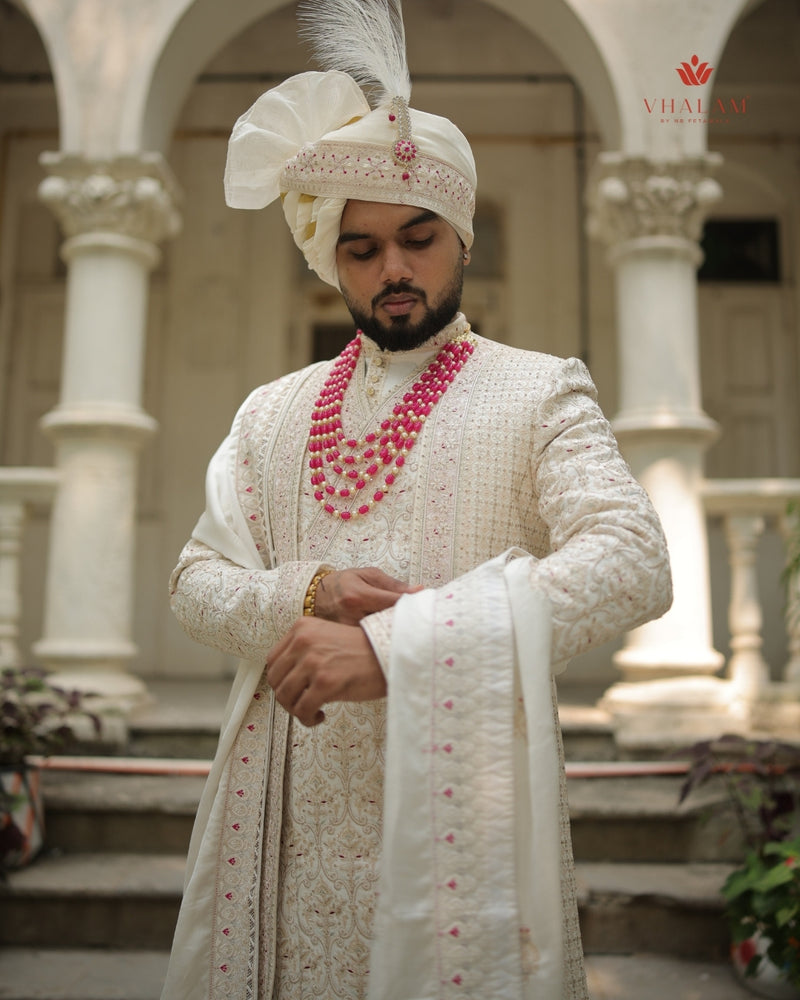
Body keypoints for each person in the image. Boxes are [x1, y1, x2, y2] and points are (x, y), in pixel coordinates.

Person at [160, 3, 672, 998]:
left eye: (417, 237)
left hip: (460, 827)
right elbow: (192, 580)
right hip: (286, 822)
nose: (393, 268)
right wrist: (305, 594)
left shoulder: (536, 390)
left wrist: (397, 648)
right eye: (361, 249)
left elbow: (630, 559)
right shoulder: (273, 413)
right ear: (330, 260)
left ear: (460, 238)